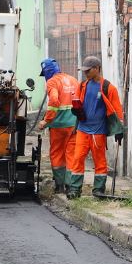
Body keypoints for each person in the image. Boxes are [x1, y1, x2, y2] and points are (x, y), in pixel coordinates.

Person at [66, 56, 124, 199]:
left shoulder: (109, 88)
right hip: (83, 130)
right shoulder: (82, 86)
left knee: (100, 161)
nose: (85, 73)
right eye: (84, 70)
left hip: (99, 132)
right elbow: (77, 104)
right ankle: (75, 189)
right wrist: (76, 112)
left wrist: (119, 130)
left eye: (88, 70)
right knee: (78, 158)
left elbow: (117, 110)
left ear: (97, 69)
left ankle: (98, 190)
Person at [35, 58, 79, 194]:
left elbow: (54, 100)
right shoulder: (73, 80)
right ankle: (71, 186)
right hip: (74, 124)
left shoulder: (52, 82)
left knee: (57, 154)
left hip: (59, 126)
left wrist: (46, 121)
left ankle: (59, 186)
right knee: (71, 154)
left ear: (47, 72)